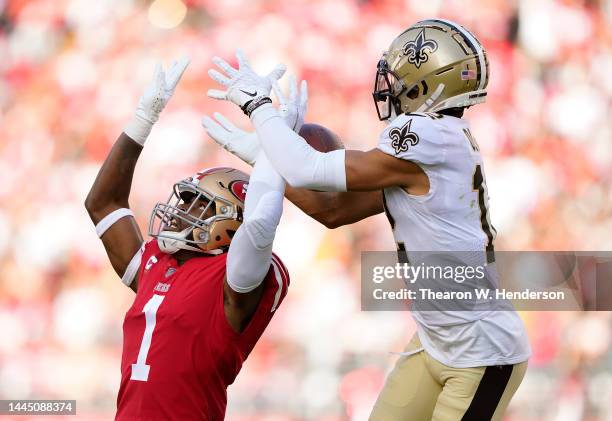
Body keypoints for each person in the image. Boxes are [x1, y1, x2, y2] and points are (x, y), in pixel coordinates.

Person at [203, 19, 531, 421]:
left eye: (399, 76)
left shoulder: (426, 137)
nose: (390, 86)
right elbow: (333, 211)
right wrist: (263, 156)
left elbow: (308, 168)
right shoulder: (434, 145)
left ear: (428, 80)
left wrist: (260, 110)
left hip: (480, 353)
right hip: (435, 341)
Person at [84, 57, 292, 420]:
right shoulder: (157, 265)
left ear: (231, 222)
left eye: (199, 204)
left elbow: (258, 229)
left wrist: (272, 152)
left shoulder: (232, 281)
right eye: (185, 199)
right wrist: (142, 119)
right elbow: (102, 204)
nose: (183, 209)